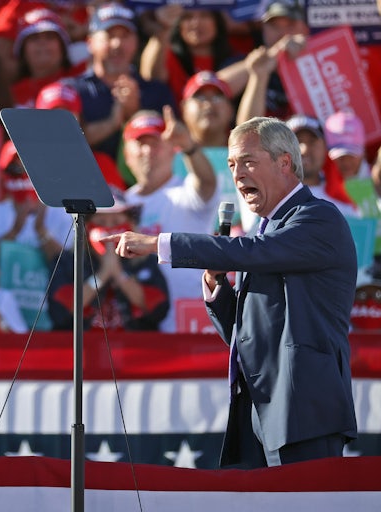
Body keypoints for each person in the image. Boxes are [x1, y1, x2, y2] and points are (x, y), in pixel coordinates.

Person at [105, 116, 357, 468]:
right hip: (259, 413)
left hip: (305, 411)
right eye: (232, 165)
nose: (237, 174)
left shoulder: (317, 218)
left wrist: (158, 243)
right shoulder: (265, 234)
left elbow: (253, 252)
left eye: (248, 161)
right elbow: (244, 334)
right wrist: (216, 286)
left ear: (285, 162)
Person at [121, 108, 218, 332]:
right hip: (140, 329)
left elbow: (207, 184)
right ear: (126, 155)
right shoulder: (119, 206)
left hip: (190, 327)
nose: (148, 151)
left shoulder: (186, 193)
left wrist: (190, 147)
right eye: (140, 143)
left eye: (155, 143)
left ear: (173, 149)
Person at [48, 187, 169, 331]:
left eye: (116, 222)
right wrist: (102, 274)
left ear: (130, 225)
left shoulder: (146, 261)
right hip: (86, 343)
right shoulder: (68, 261)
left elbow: (158, 309)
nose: (109, 229)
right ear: (86, 227)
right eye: (101, 222)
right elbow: (60, 310)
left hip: (134, 343)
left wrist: (119, 274)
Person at [73, 2, 176, 161]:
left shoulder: (157, 92)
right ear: (90, 42)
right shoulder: (72, 91)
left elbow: (172, 145)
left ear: (136, 41)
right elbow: (63, 145)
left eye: (125, 35)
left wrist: (135, 113)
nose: (117, 44)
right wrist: (113, 122)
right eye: (109, 35)